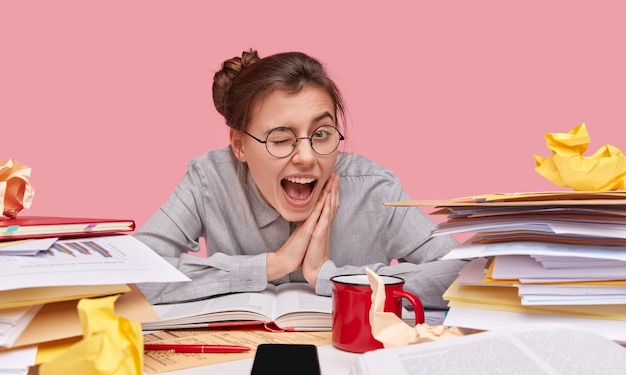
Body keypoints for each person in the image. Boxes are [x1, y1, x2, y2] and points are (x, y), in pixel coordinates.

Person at [135, 49, 466, 310]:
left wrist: (331, 278)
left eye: (321, 134)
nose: (307, 157)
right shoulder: (209, 179)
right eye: (281, 139)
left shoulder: (372, 187)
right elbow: (132, 275)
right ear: (239, 145)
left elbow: (461, 275)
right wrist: (270, 266)